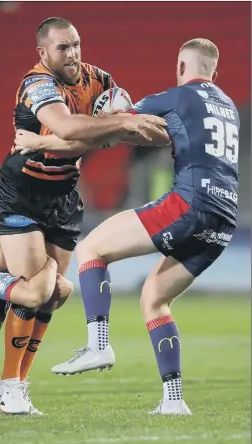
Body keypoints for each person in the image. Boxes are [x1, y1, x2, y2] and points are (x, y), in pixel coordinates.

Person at [47, 38, 240, 415]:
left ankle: (98, 344)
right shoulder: (228, 106)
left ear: (182, 67)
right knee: (155, 297)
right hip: (223, 219)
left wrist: (48, 138)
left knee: (91, 248)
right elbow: (169, 137)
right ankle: (173, 401)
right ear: (214, 73)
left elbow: (119, 123)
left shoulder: (178, 97)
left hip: (190, 204)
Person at [0, 15, 167, 413]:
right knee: (35, 286)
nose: (72, 54)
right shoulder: (36, 83)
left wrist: (117, 126)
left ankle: (18, 383)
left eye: (76, 44)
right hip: (21, 192)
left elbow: (148, 131)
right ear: (43, 52)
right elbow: (68, 128)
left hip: (64, 196)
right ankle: (7, 380)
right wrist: (116, 125)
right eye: (62, 48)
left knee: (52, 295)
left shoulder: (98, 80)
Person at [0, 219, 72, 416]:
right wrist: (50, 263)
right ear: (6, 243)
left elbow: (55, 294)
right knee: (1, 406)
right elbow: (34, 297)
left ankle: (11, 387)